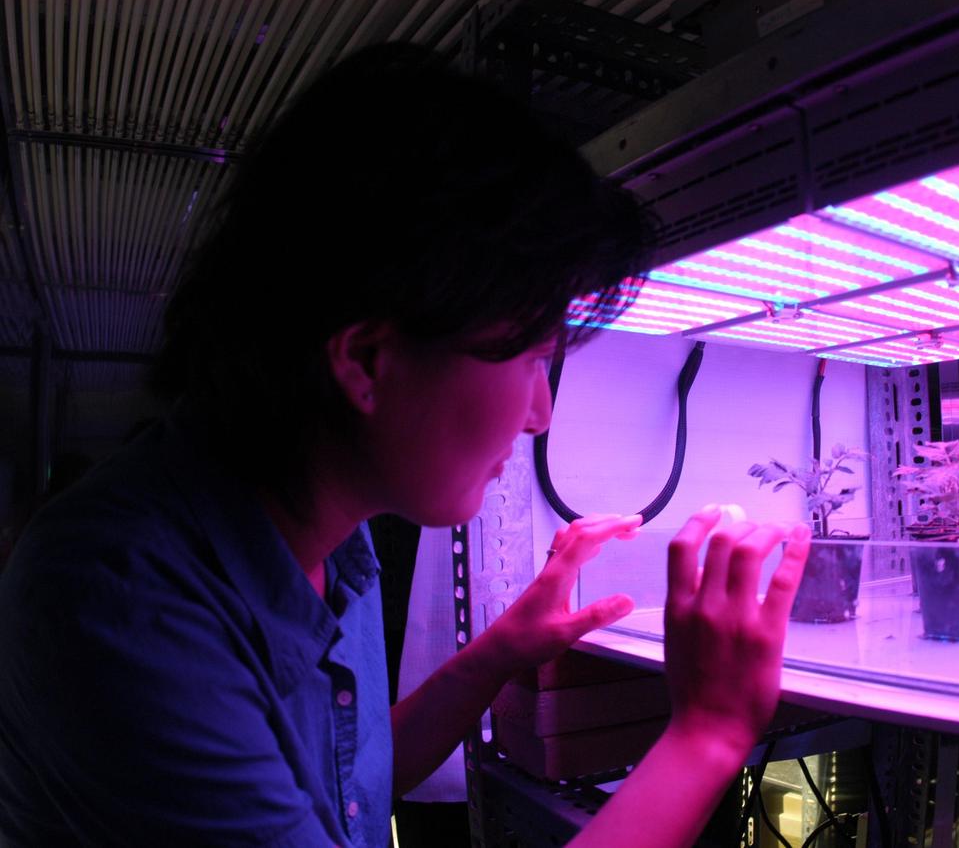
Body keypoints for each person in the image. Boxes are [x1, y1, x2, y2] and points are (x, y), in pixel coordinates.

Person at [0, 43, 810, 847]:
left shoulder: (330, 531)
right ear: (365, 362)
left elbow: (343, 792)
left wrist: (497, 653)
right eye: (530, 359)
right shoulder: (118, 603)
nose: (539, 413)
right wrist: (708, 732)